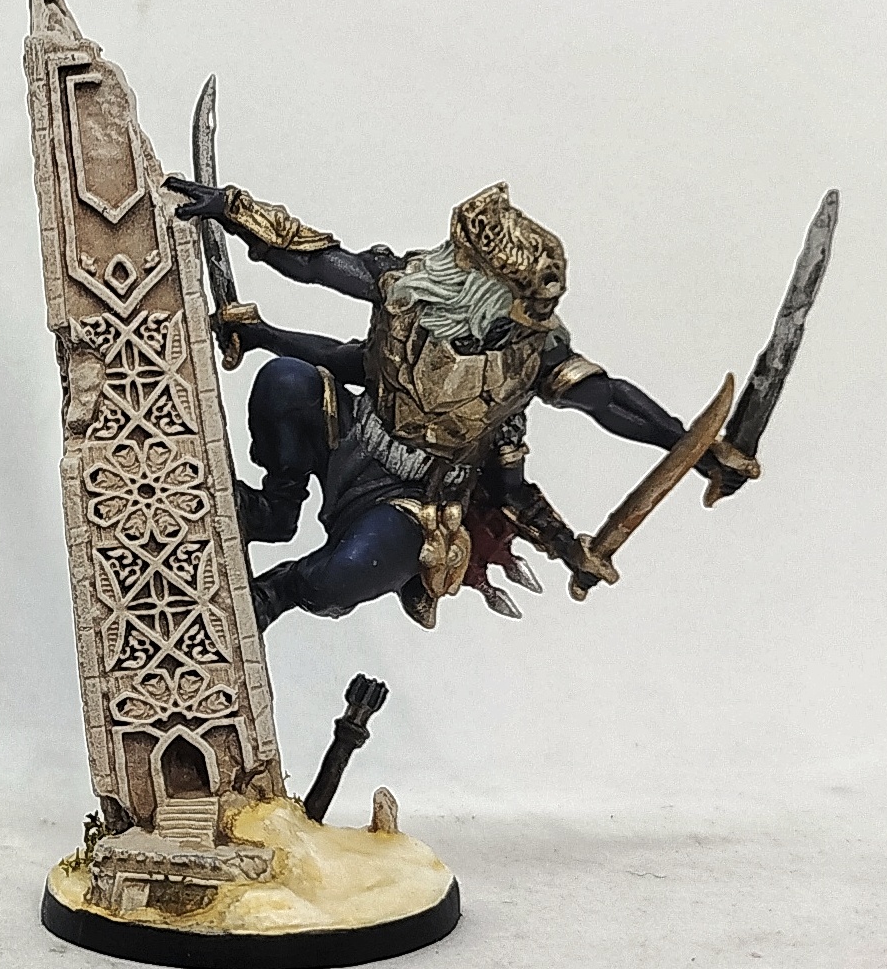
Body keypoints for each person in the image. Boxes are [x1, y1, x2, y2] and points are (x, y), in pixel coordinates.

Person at [165, 177, 752, 630]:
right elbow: (315, 261)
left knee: (348, 572)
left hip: (414, 500)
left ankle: (275, 593)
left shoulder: (532, 356)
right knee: (287, 381)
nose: (531, 318)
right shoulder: (407, 287)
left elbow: (607, 399)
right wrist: (234, 211)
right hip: (353, 433)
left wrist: (695, 450)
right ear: (475, 285)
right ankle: (275, 509)